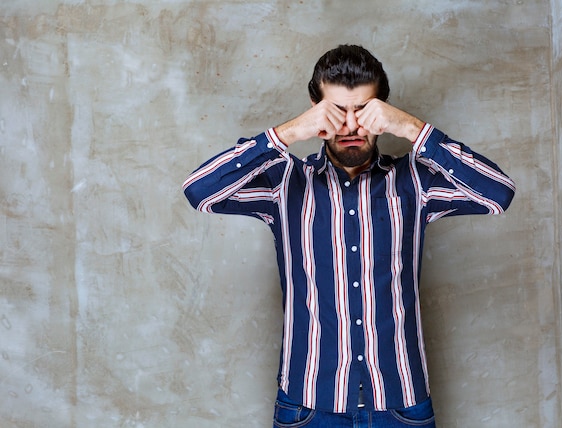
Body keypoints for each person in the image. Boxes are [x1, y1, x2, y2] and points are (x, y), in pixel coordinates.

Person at [183, 44, 515, 428]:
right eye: (338, 111)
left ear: (383, 111)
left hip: (401, 404)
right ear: (315, 107)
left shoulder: (416, 183)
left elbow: (499, 193)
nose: (352, 126)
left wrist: (411, 128)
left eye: (364, 110)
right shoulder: (284, 182)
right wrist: (289, 132)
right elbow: (199, 191)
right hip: (307, 405)